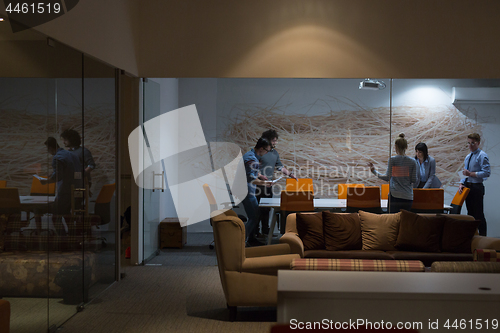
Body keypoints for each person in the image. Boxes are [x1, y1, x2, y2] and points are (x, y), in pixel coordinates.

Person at [256, 129, 297, 238]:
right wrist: (260, 175)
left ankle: (265, 231)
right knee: (258, 210)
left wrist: (290, 174)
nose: (275, 142)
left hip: (269, 184)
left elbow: (280, 166)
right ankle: (255, 232)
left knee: (267, 209)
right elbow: (252, 168)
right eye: (274, 140)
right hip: (257, 185)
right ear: (268, 140)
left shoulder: (274, 153)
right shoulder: (259, 152)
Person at [40, 137, 83, 235]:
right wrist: (53, 173)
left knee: (55, 216)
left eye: (48, 150)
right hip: (78, 190)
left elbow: (58, 177)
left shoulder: (57, 157)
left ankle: (62, 239)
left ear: (50, 148)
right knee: (67, 215)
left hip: (66, 191)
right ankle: (72, 237)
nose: (48, 152)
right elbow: (70, 170)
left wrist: (46, 182)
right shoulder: (72, 155)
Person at [368, 133, 417, 213]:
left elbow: (387, 178)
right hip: (408, 196)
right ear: (406, 147)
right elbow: (414, 180)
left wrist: (374, 171)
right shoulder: (413, 162)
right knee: (404, 221)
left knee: (392, 221)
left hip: (395, 195)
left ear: (395, 147)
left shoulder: (392, 160)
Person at [242, 137, 273, 246]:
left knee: (254, 215)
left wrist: (259, 175)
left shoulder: (249, 155)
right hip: (247, 192)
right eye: (267, 150)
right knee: (254, 216)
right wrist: (267, 184)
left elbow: (248, 171)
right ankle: (240, 241)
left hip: (245, 191)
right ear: (261, 148)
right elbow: (252, 180)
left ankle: (250, 239)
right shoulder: (253, 160)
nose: (266, 153)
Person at [459, 133, 490, 236]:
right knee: (470, 214)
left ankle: (483, 238)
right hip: (468, 186)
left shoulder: (482, 155)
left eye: (473, 143)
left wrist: (471, 174)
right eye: (468, 143)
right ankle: (472, 237)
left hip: (477, 187)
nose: (470, 145)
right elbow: (465, 173)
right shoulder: (468, 156)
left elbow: (486, 173)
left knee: (478, 214)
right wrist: (461, 183)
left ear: (478, 143)